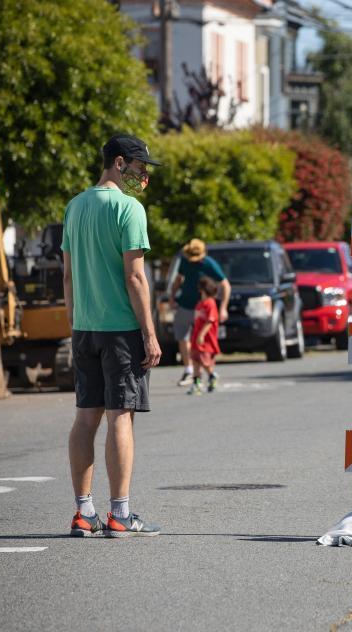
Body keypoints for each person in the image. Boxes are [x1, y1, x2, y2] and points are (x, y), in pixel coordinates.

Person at [63, 134, 162, 537]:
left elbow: (67, 275)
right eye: (140, 167)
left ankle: (83, 512)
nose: (143, 176)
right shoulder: (129, 209)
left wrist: (74, 325)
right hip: (121, 329)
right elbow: (135, 277)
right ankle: (120, 513)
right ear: (119, 163)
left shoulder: (75, 206)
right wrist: (150, 333)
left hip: (84, 327)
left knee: (86, 418)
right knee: (121, 416)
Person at [168, 239, 230, 386]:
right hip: (185, 304)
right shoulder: (184, 261)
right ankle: (189, 370)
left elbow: (225, 284)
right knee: (183, 337)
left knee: (202, 342)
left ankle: (206, 372)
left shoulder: (209, 264)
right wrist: (172, 297)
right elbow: (178, 279)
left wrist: (223, 308)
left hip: (202, 307)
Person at [187, 277, 221, 395]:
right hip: (196, 339)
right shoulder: (200, 304)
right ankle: (197, 384)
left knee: (204, 361)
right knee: (195, 360)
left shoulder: (210, 303)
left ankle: (212, 376)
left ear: (203, 289)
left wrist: (201, 335)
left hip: (206, 340)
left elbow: (210, 321)